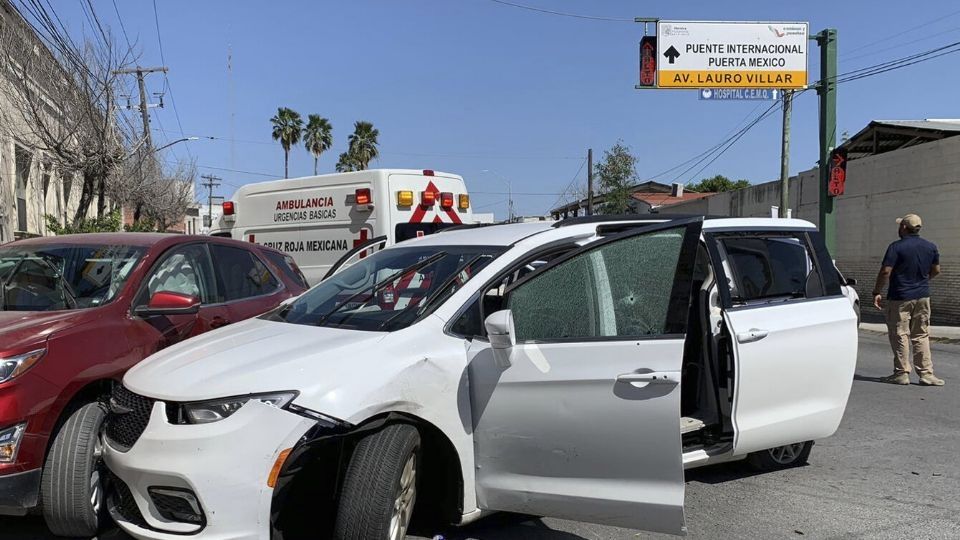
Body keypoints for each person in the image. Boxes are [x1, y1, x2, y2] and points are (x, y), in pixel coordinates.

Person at [872, 214, 944, 386]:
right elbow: (936, 270)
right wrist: (922, 282)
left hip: (900, 296)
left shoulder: (896, 247)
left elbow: (885, 271)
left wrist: (876, 291)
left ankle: (901, 372)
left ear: (903, 227)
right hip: (922, 296)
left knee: (900, 333)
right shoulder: (930, 247)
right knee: (921, 334)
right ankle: (926, 373)